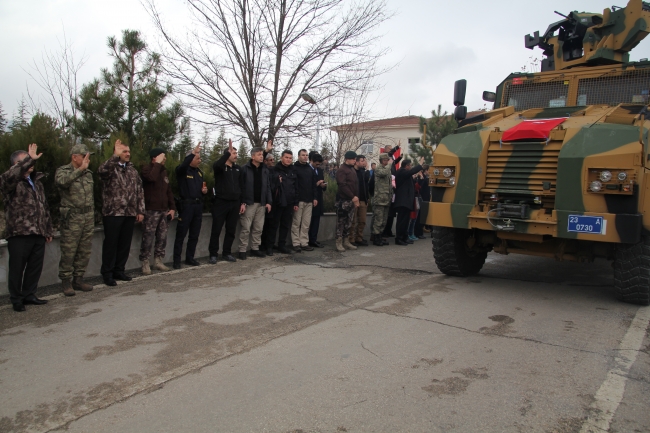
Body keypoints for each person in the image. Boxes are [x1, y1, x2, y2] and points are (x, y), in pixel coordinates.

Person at [0, 144, 53, 312]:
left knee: (34, 266)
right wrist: (28, 159)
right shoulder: (11, 183)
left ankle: (29, 294)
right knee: (17, 267)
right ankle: (16, 299)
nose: (31, 163)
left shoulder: (37, 182)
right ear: (16, 164)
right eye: (25, 161)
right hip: (19, 232)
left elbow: (44, 206)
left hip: (37, 231)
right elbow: (7, 179)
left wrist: (48, 229)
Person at [98, 139, 145, 286]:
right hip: (113, 212)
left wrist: (140, 210)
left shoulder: (132, 170)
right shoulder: (111, 168)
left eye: (128, 151)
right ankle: (107, 273)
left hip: (129, 212)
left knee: (124, 244)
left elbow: (140, 191)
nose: (127, 154)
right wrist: (113, 158)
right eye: (124, 151)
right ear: (116, 152)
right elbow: (102, 172)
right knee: (111, 244)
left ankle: (119, 270)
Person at [55, 144, 95, 296]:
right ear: (74, 157)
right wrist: (79, 170)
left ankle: (78, 279)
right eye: (84, 155)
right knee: (69, 250)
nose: (87, 159)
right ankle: (66, 281)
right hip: (72, 217)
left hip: (87, 216)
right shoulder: (63, 171)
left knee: (84, 250)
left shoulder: (88, 174)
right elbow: (62, 183)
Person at [139, 148, 176, 275]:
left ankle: (158, 261)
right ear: (154, 158)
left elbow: (168, 191)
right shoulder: (147, 169)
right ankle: (145, 262)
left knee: (162, 237)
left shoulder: (163, 172)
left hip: (163, 210)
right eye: (162, 156)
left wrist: (172, 208)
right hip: (150, 211)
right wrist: (157, 165)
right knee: (148, 238)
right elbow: (151, 178)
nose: (165, 159)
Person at [173, 143, 208, 269]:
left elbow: (200, 190)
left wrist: (204, 192)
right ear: (191, 158)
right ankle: (176, 260)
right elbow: (183, 165)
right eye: (197, 158)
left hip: (197, 206)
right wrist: (193, 152)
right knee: (181, 234)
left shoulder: (199, 173)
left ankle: (190, 258)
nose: (200, 160)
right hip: (186, 206)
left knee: (194, 234)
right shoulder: (182, 170)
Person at [209, 139, 241, 263]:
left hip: (234, 203)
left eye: (236, 153)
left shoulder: (237, 169)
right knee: (216, 229)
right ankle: (213, 254)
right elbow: (217, 165)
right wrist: (227, 153)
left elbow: (241, 186)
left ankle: (226, 253)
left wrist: (241, 201)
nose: (236, 155)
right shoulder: (220, 168)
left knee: (231, 229)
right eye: (233, 153)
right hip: (221, 203)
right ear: (227, 155)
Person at [238, 147, 272, 260]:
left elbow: (267, 186)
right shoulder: (245, 169)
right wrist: (242, 202)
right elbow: (241, 187)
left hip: (261, 203)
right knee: (246, 227)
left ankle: (255, 248)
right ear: (253, 156)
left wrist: (268, 201)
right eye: (259, 155)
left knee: (258, 228)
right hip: (249, 202)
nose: (261, 156)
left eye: (262, 154)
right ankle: (242, 250)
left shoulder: (264, 170)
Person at [266, 149, 298, 255]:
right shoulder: (274, 170)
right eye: (286, 157)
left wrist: (295, 202)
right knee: (273, 225)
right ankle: (269, 246)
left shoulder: (293, 170)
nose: (288, 160)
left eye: (290, 158)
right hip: (277, 202)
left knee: (285, 225)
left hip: (289, 202)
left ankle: (282, 245)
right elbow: (270, 186)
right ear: (281, 158)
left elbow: (296, 187)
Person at [394, 157, 424, 245]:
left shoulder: (406, 174)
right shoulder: (401, 172)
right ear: (406, 166)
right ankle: (399, 238)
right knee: (401, 221)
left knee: (406, 221)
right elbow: (411, 172)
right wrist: (420, 165)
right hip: (402, 201)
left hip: (407, 201)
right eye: (410, 165)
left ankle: (404, 236)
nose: (411, 167)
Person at [292, 149, 318, 252]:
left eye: (307, 155)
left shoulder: (310, 169)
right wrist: (295, 200)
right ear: (298, 156)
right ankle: (296, 243)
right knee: (296, 223)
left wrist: (315, 197)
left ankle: (304, 242)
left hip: (309, 200)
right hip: (299, 201)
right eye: (303, 155)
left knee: (306, 223)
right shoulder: (294, 168)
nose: (305, 157)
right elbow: (294, 186)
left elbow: (314, 185)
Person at [334, 151, 360, 252]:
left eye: (355, 159)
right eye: (353, 159)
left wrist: (356, 197)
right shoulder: (342, 170)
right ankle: (338, 242)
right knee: (341, 222)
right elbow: (342, 185)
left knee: (349, 222)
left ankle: (346, 240)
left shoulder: (352, 170)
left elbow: (355, 185)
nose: (354, 160)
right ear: (347, 159)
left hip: (351, 200)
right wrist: (352, 196)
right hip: (343, 200)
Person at [370, 153, 392, 246]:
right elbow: (384, 173)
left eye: (387, 160)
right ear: (381, 160)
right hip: (379, 199)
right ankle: (376, 237)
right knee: (378, 219)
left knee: (383, 220)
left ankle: (380, 236)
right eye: (385, 160)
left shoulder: (387, 169)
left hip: (386, 199)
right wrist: (390, 164)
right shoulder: (379, 169)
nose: (387, 161)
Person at [348, 155, 369, 246]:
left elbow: (367, 183)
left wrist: (367, 198)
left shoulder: (363, 172)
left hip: (363, 199)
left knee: (362, 220)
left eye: (364, 161)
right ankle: (351, 239)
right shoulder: (352, 172)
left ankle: (359, 238)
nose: (364, 162)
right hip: (354, 199)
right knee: (353, 221)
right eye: (362, 161)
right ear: (356, 162)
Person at [308, 153, 326, 248]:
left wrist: (323, 185)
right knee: (307, 221)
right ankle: (306, 240)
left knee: (316, 220)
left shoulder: (320, 170)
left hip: (318, 197)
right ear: (311, 161)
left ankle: (313, 239)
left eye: (319, 164)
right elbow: (306, 185)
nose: (318, 166)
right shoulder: (308, 169)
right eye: (316, 164)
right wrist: (316, 183)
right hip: (309, 198)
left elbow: (322, 181)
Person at [414, 165, 430, 239]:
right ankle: (418, 233)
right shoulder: (422, 178)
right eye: (429, 170)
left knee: (422, 217)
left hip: (425, 199)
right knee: (420, 217)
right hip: (422, 198)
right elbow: (420, 188)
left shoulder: (425, 177)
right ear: (426, 170)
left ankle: (420, 232)